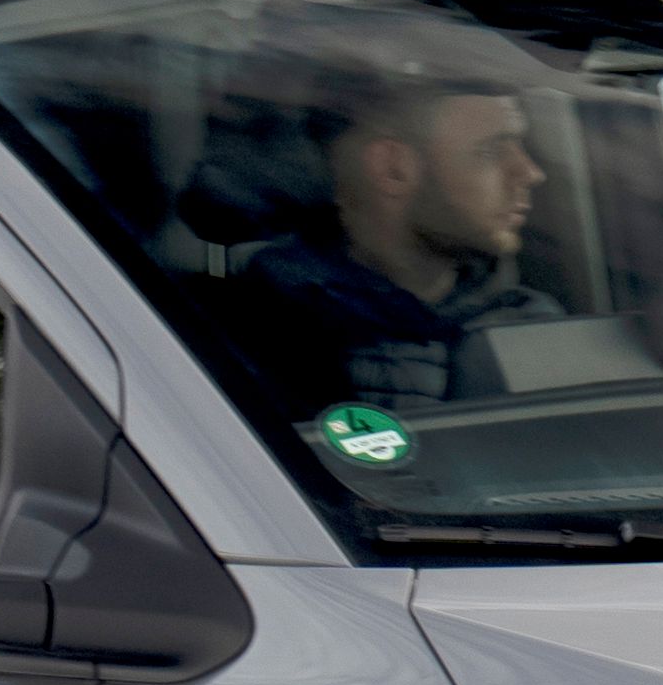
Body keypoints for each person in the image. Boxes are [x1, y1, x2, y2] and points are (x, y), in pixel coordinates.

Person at [208, 59, 563, 417]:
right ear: (394, 169)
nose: (530, 173)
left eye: (519, 146)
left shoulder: (533, 326)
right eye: (490, 151)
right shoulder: (253, 333)